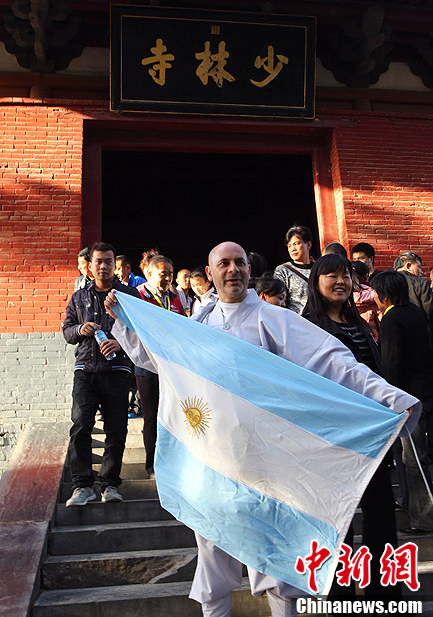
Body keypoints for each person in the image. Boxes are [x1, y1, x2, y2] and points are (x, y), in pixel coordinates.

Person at [105, 242, 420, 617]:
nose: (233, 270)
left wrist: (387, 395)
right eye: (224, 263)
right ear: (211, 273)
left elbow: (332, 361)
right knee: (212, 556)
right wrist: (126, 321)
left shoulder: (273, 319)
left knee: (274, 555)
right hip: (210, 460)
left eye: (240, 262)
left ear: (249, 270)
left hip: (264, 464)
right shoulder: (199, 323)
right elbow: (156, 358)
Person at [302, 254, 406, 601]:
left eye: (345, 275)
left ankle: (383, 589)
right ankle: (339, 592)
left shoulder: (359, 322)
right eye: (331, 275)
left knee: (380, 511)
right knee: (338, 517)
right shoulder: (306, 329)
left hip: (371, 433)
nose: (341, 281)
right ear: (316, 282)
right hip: (332, 436)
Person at [62, 242, 141, 507]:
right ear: (90, 266)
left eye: (109, 261)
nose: (104, 266)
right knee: (80, 425)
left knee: (116, 429)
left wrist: (121, 343)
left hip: (117, 371)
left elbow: (141, 330)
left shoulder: (129, 295)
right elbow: (67, 332)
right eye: (99, 262)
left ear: (114, 265)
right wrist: (80, 329)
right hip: (85, 369)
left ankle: (109, 484)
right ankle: (82, 486)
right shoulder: (79, 297)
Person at [371, 270, 433, 533]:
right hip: (428, 391)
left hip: (409, 396)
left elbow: (393, 362)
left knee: (414, 459)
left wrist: (390, 397)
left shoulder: (392, 319)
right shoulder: (416, 312)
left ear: (383, 295)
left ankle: (424, 518)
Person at [135, 255, 185, 477]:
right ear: (149, 274)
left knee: (172, 415)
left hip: (171, 365)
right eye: (163, 273)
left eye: (170, 274)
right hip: (146, 366)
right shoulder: (137, 296)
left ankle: (172, 462)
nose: (167, 278)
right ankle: (152, 465)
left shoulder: (175, 298)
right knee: (151, 415)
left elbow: (182, 324)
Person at [274, 225, 313, 314]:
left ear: (308, 245)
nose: (293, 249)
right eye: (289, 246)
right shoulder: (283, 271)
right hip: (295, 321)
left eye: (296, 244)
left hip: (320, 322)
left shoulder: (320, 269)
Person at [394, 252, 433, 340]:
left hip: (394, 336)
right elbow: (429, 312)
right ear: (408, 266)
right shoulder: (422, 283)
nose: (421, 272)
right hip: (420, 337)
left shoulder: (385, 282)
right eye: (418, 267)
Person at [351, 259, 381, 342]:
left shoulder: (344, 294)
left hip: (350, 338)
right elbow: (380, 319)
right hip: (371, 339)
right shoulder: (373, 294)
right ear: (366, 276)